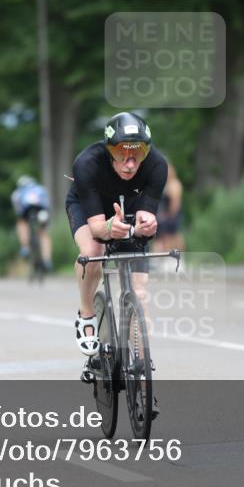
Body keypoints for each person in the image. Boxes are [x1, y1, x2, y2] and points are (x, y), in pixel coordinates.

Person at [66, 112, 167, 357]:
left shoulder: (157, 165)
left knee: (140, 292)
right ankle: (87, 313)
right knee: (93, 252)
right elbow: (99, 229)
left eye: (138, 154)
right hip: (90, 208)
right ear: (109, 150)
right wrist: (111, 229)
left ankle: (142, 375)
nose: (130, 163)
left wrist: (146, 225)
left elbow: (145, 216)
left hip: (128, 207)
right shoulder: (87, 163)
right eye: (122, 154)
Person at [11, 175, 52, 271]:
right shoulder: (40, 189)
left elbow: (18, 210)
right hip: (41, 211)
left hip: (26, 212)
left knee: (21, 223)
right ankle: (47, 260)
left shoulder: (17, 193)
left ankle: (25, 247)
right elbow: (47, 204)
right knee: (44, 234)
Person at [154, 162, 185, 254]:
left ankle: (177, 254)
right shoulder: (165, 184)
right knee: (162, 236)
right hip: (163, 214)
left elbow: (175, 204)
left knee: (172, 235)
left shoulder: (174, 184)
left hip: (171, 214)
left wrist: (170, 215)